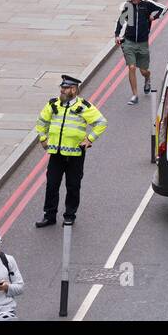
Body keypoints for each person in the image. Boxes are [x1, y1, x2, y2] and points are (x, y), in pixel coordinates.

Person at [34, 75, 107, 227]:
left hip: (75, 155)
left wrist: (90, 139)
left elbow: (101, 122)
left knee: (73, 186)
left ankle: (69, 215)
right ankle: (49, 216)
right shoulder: (53, 104)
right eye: (62, 87)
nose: (62, 90)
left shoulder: (84, 107)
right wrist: (42, 138)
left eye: (65, 88)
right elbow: (41, 121)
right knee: (52, 185)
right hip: (56, 154)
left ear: (73, 90)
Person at [115, 0, 166, 105]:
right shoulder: (128, 7)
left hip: (143, 43)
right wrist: (117, 35)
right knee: (132, 67)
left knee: (144, 71)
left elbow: (164, 8)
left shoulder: (147, 5)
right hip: (129, 42)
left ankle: (147, 78)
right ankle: (134, 95)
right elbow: (121, 21)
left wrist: (154, 17)